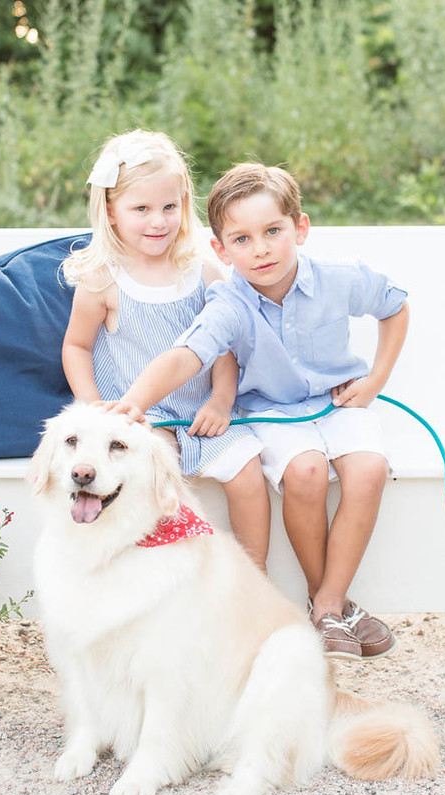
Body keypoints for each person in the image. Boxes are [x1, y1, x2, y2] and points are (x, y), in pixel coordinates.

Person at [110, 162, 410, 661]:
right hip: (270, 412)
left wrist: (376, 379)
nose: (262, 249)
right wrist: (133, 404)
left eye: (273, 231)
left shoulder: (339, 278)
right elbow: (188, 354)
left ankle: (328, 602)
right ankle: (329, 604)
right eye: (242, 239)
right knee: (307, 471)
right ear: (221, 251)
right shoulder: (228, 301)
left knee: (369, 469)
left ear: (300, 228)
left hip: (338, 401)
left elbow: (395, 306)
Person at [61, 133, 269, 569]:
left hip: (202, 415)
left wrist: (221, 400)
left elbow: (224, 348)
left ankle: (253, 574)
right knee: (147, 474)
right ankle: (158, 575)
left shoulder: (202, 270)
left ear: (183, 204)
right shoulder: (103, 278)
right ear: (111, 212)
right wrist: (92, 407)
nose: (158, 221)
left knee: (247, 471)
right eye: (141, 209)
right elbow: (77, 346)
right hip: (138, 417)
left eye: (169, 208)